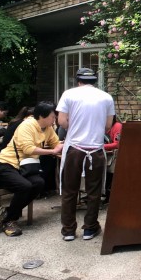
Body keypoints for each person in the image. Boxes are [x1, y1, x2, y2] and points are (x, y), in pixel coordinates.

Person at [57, 68, 115, 241]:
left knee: (69, 190)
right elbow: (108, 126)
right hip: (96, 150)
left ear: (78, 81)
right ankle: (89, 229)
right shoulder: (106, 97)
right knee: (94, 191)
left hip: (74, 149)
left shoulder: (69, 94)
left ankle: (68, 230)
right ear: (94, 81)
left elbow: (61, 121)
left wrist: (74, 128)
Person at [0, 102, 63, 237]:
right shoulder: (27, 125)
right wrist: (54, 151)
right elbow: (28, 149)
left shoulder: (48, 128)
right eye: (53, 117)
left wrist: (64, 148)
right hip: (4, 166)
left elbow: (56, 143)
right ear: (42, 116)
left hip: (23, 167)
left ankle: (7, 215)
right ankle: (11, 220)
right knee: (24, 186)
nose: (55, 120)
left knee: (39, 183)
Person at [103, 116, 122, 204]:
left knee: (110, 176)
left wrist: (102, 146)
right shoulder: (105, 127)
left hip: (115, 157)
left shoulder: (117, 126)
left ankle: (109, 196)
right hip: (107, 155)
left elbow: (117, 144)